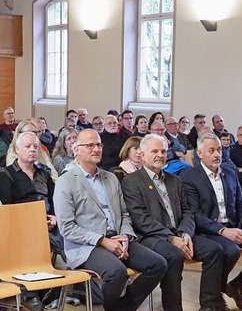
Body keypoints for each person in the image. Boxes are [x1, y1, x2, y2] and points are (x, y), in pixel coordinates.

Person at [53, 129, 167, 311]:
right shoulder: (66, 181)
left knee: (158, 264)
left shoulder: (111, 178)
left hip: (117, 239)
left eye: (99, 145)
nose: (96, 149)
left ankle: (121, 307)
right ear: (76, 150)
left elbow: (124, 214)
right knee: (117, 272)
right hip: (86, 246)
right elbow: (67, 227)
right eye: (90, 145)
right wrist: (102, 240)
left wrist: (125, 236)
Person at [121, 134, 227, 311]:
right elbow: (141, 219)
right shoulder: (131, 182)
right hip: (150, 236)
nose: (160, 155)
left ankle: (209, 305)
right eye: (154, 151)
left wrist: (185, 233)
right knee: (174, 255)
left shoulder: (175, 180)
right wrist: (171, 238)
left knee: (214, 250)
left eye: (163, 151)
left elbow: (188, 211)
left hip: (180, 233)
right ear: (142, 154)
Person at [180, 134, 242, 311]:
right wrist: (223, 231)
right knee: (231, 250)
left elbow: (241, 204)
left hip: (234, 226)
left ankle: (235, 285)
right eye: (211, 151)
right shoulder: (189, 177)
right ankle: (213, 297)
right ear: (200, 153)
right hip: (209, 231)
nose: (216, 154)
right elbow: (195, 214)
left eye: (219, 150)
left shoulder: (230, 172)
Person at [0, 131, 64, 310]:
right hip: (21, 228)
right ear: (17, 149)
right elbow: (8, 211)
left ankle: (56, 290)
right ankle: (31, 293)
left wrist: (55, 217)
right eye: (28, 146)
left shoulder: (44, 173)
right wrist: (33, 222)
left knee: (68, 241)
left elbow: (54, 202)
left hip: (48, 224)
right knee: (33, 242)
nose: (32, 150)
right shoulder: (6, 175)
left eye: (36, 146)